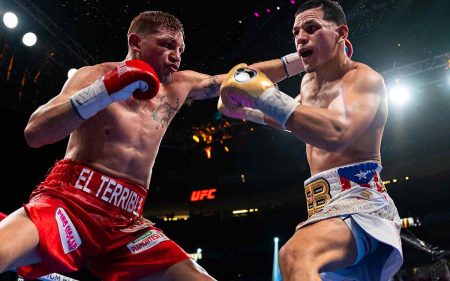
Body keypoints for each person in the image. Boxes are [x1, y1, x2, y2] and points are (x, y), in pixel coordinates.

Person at [0, 10, 298, 281]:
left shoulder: (180, 85)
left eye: (180, 49)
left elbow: (240, 79)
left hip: (127, 222)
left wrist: (301, 61)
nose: (176, 56)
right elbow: (35, 132)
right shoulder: (93, 76)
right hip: (71, 202)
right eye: (167, 44)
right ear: (135, 42)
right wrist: (103, 92)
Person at [218, 0, 403, 280]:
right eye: (295, 33)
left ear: (341, 33)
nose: (300, 36)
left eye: (311, 27)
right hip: (326, 208)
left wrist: (265, 96)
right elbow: (247, 81)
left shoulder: (363, 79)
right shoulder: (309, 83)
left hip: (361, 203)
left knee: (294, 255)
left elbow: (338, 133)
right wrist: (246, 111)